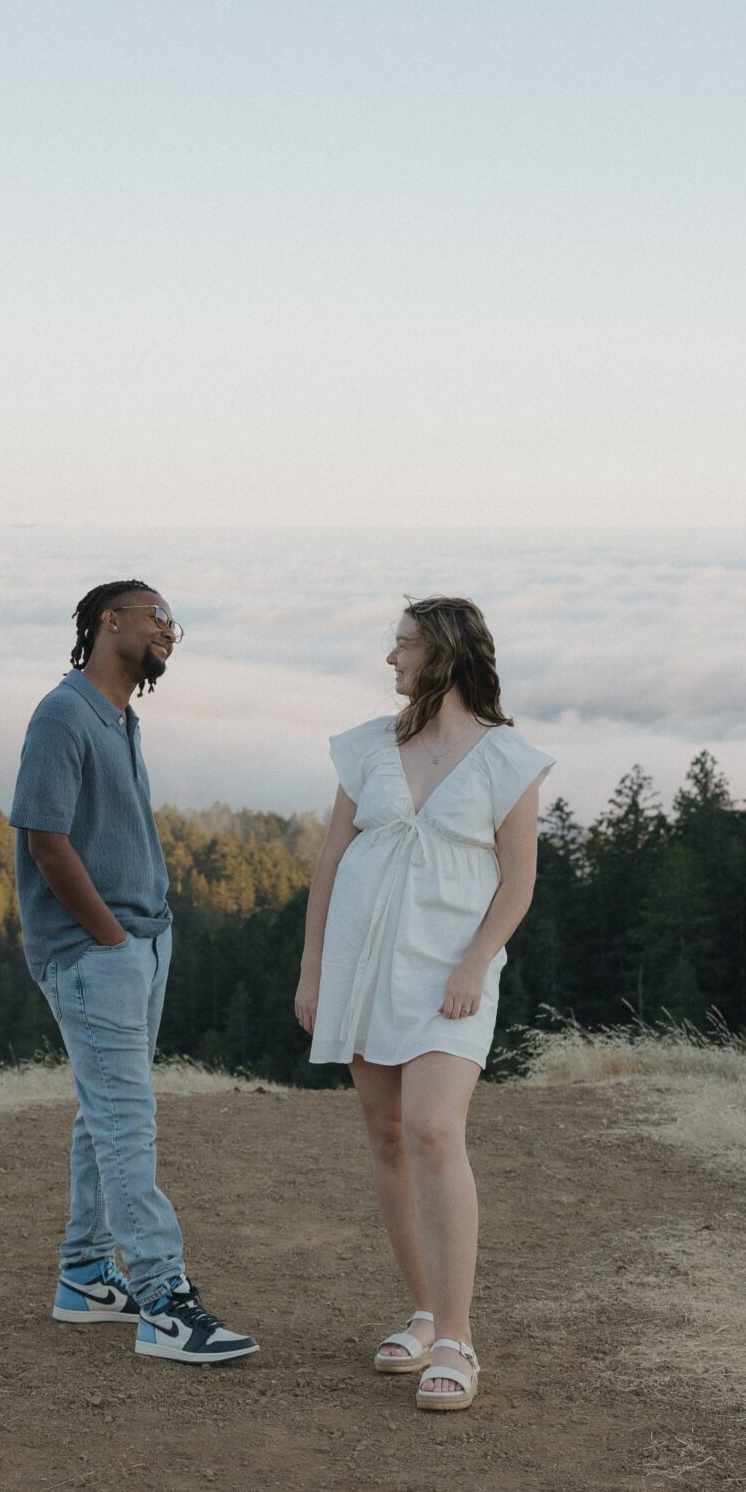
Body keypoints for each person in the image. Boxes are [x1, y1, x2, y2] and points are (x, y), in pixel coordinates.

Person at [295, 596, 551, 1413]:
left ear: (440, 654)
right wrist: (311, 971)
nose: (391, 659)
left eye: (402, 645)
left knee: (437, 1128)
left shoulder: (506, 761)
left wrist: (476, 961)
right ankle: (421, 1310)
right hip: (363, 966)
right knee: (389, 1136)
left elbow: (518, 881)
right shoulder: (367, 746)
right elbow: (331, 864)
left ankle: (456, 1338)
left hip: (451, 970)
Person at [12, 579, 257, 1365]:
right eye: (157, 617)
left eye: (171, 622)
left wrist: (138, 935)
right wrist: (109, 937)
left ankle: (84, 1275)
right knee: (126, 1122)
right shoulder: (62, 714)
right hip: (98, 953)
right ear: (108, 621)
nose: (168, 631)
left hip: (140, 943)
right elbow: (45, 836)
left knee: (103, 1111)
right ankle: (161, 1302)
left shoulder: (119, 716)